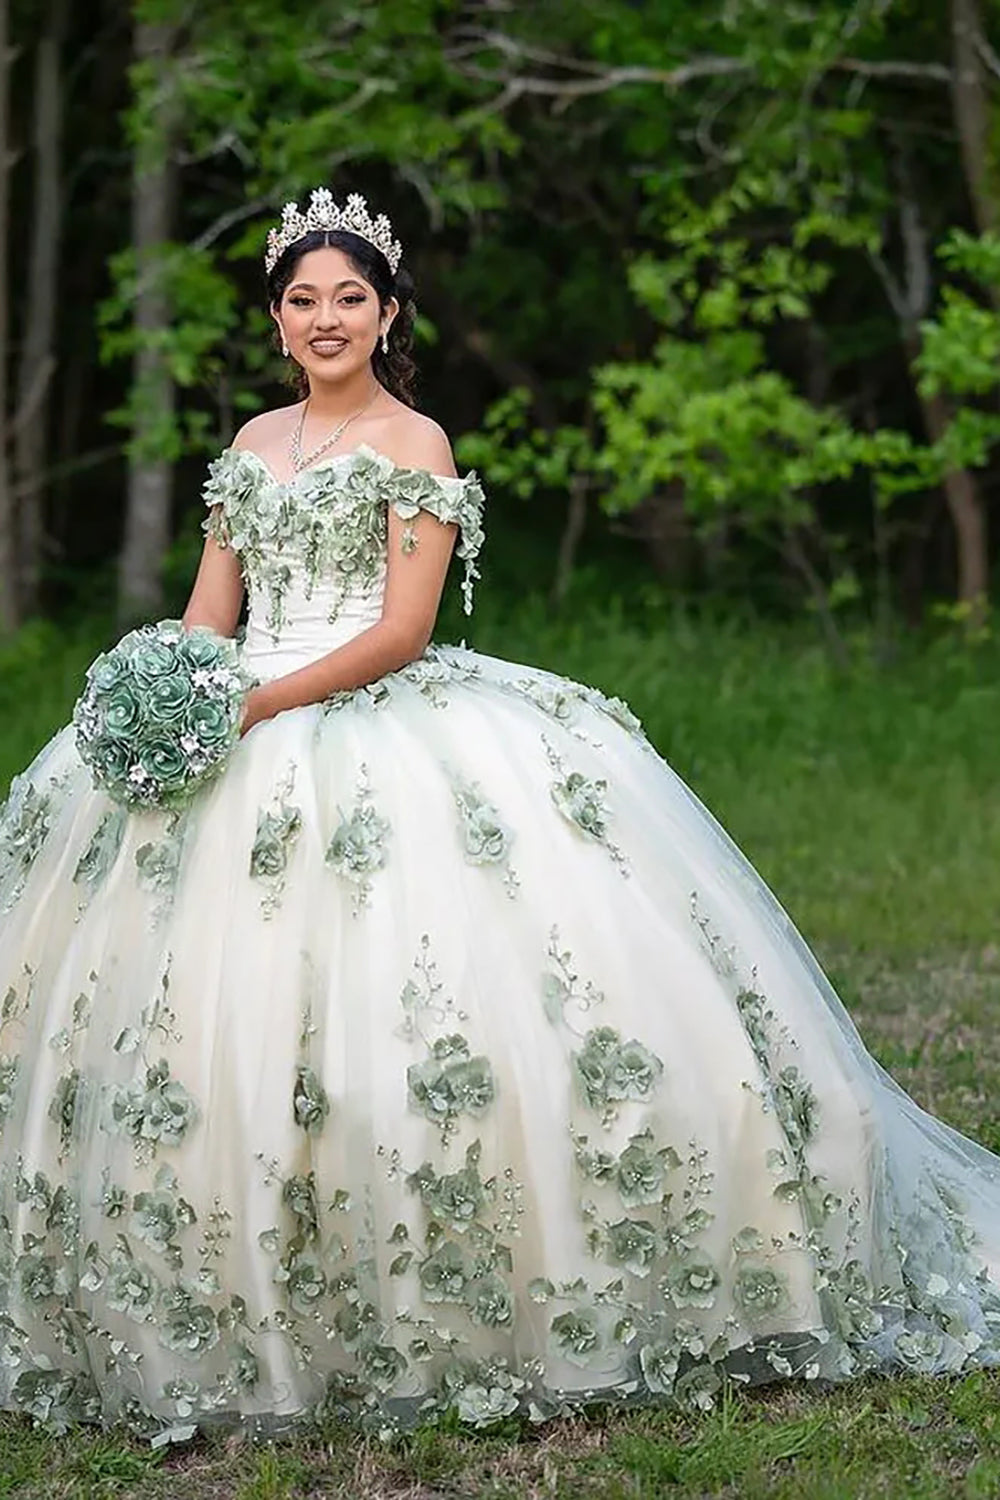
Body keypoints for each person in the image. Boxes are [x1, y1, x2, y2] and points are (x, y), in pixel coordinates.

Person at [1, 188, 999, 1445]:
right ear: (274, 320)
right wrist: (179, 688)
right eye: (302, 300)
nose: (325, 319)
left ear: (387, 313)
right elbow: (212, 607)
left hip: (363, 704)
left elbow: (401, 630)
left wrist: (257, 710)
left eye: (349, 298)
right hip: (244, 699)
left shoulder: (414, 441)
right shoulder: (252, 444)